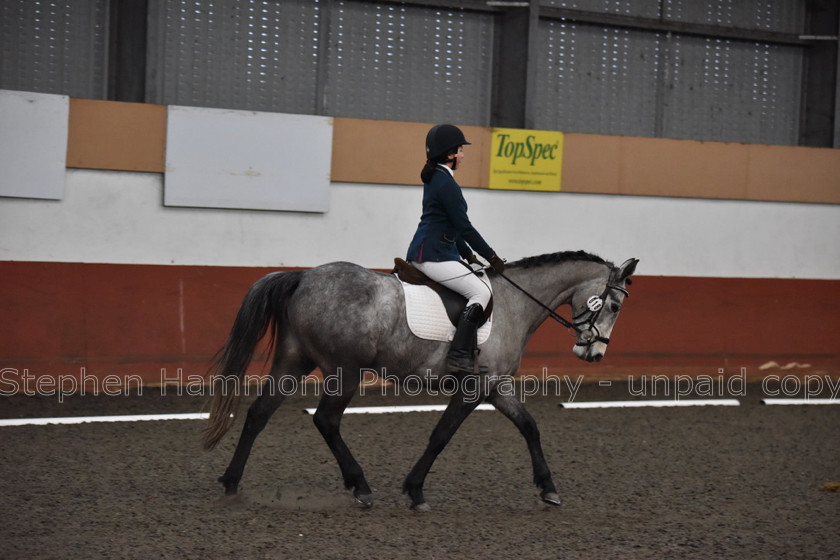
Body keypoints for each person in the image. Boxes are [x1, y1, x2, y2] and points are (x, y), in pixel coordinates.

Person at [406, 124, 505, 374]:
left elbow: (451, 226)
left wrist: (469, 255)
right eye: (460, 150)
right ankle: (459, 355)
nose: (463, 155)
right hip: (433, 255)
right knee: (481, 293)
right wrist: (491, 256)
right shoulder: (446, 184)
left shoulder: (437, 178)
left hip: (431, 250)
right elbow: (464, 226)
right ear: (450, 154)